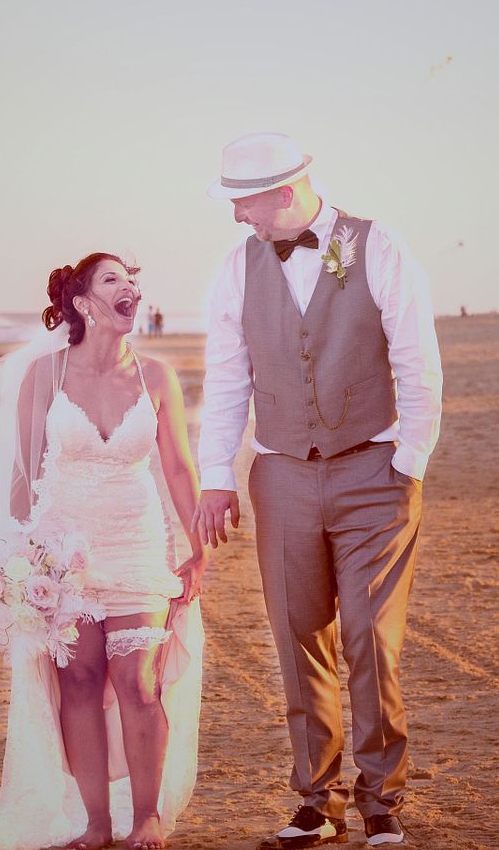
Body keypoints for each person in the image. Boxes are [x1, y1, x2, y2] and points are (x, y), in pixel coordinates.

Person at [194, 132, 442, 848]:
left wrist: (410, 460)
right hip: (281, 474)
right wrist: (218, 479)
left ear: (283, 192)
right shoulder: (236, 270)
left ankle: (381, 798)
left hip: (375, 469)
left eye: (243, 204)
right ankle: (315, 800)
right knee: (298, 635)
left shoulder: (379, 246)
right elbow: (227, 382)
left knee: (369, 636)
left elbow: (416, 359)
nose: (238, 218)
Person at [0, 252, 208, 850]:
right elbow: (21, 475)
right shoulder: (44, 375)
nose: (131, 288)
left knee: (139, 682)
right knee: (81, 683)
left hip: (139, 544)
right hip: (63, 552)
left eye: (133, 280)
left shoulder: (157, 377)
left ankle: (147, 816)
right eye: (113, 279)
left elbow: (177, 464)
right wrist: (19, 559)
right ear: (83, 303)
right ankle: (96, 823)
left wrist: (199, 548)